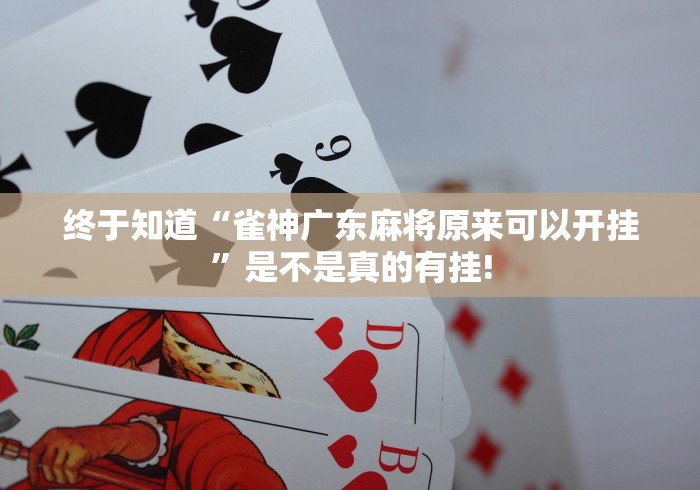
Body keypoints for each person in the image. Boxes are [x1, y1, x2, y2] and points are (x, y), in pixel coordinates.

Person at [9, 310, 286, 489]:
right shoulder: (66, 461)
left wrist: (115, 438)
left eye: (135, 371)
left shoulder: (201, 429)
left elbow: (221, 458)